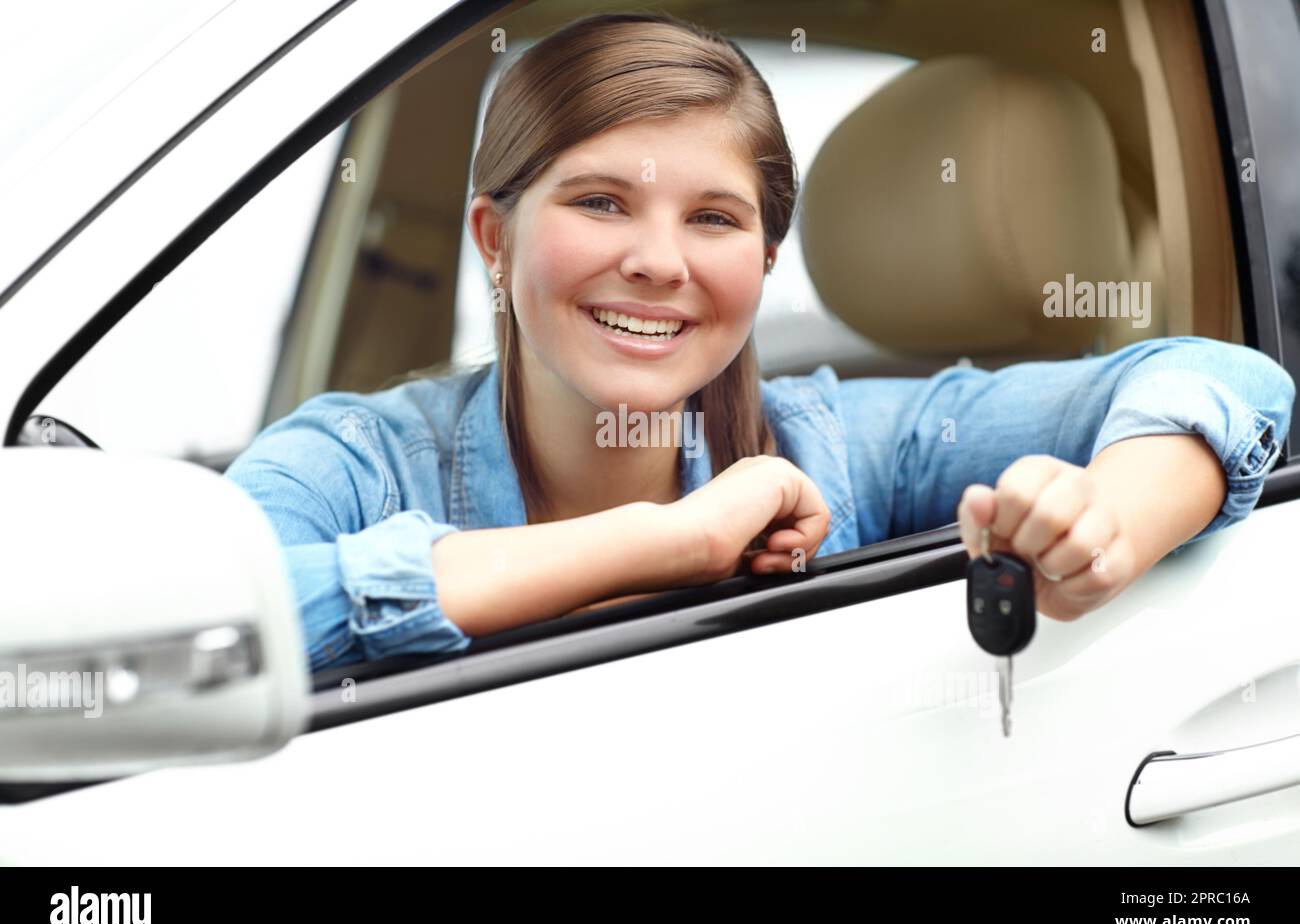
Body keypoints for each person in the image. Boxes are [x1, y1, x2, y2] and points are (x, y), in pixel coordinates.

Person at [224, 12, 1295, 673]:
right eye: (600, 202)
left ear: (766, 259)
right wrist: (672, 542)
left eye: (713, 218)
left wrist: (1103, 524)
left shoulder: (834, 440)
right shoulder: (353, 458)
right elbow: (215, 628)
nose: (656, 260)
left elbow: (1223, 379)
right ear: (494, 240)